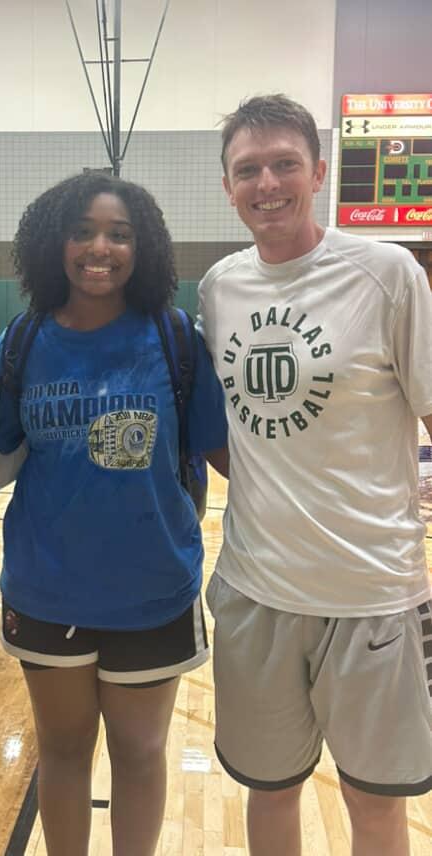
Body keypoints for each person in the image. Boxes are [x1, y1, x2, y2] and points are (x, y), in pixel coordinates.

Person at [198, 94, 432, 856]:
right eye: (248, 169)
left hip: (372, 595)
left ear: (320, 172)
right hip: (256, 592)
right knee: (269, 793)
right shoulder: (218, 288)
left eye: (285, 164)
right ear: (227, 187)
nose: (267, 183)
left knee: (374, 800)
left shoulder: (387, 273)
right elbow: (224, 431)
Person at [0, 171, 229, 856]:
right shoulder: (25, 337)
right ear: (54, 243)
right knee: (62, 755)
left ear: (143, 247)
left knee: (139, 754)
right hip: (46, 587)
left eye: (119, 234)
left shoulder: (174, 337)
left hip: (154, 589)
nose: (101, 247)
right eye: (84, 232)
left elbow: (226, 456)